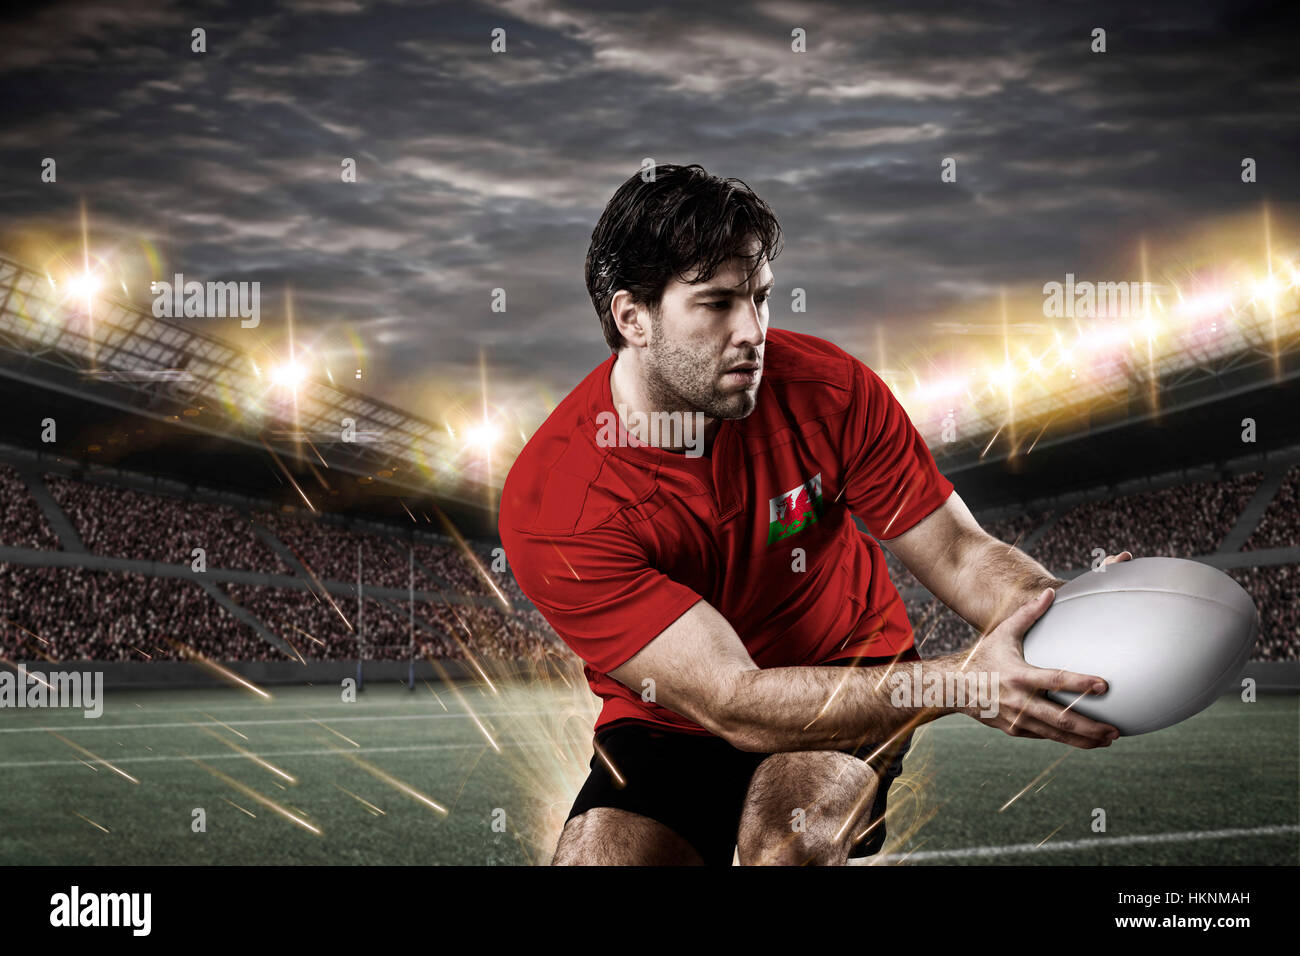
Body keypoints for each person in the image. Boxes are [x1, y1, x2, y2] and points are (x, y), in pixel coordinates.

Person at [499, 163, 1126, 866]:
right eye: (717, 303)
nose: (754, 331)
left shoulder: (830, 390)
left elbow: (956, 551)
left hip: (846, 668)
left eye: (760, 298)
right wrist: (963, 681)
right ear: (631, 317)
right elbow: (730, 697)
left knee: (787, 847)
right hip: (677, 712)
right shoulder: (554, 502)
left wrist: (1066, 616)